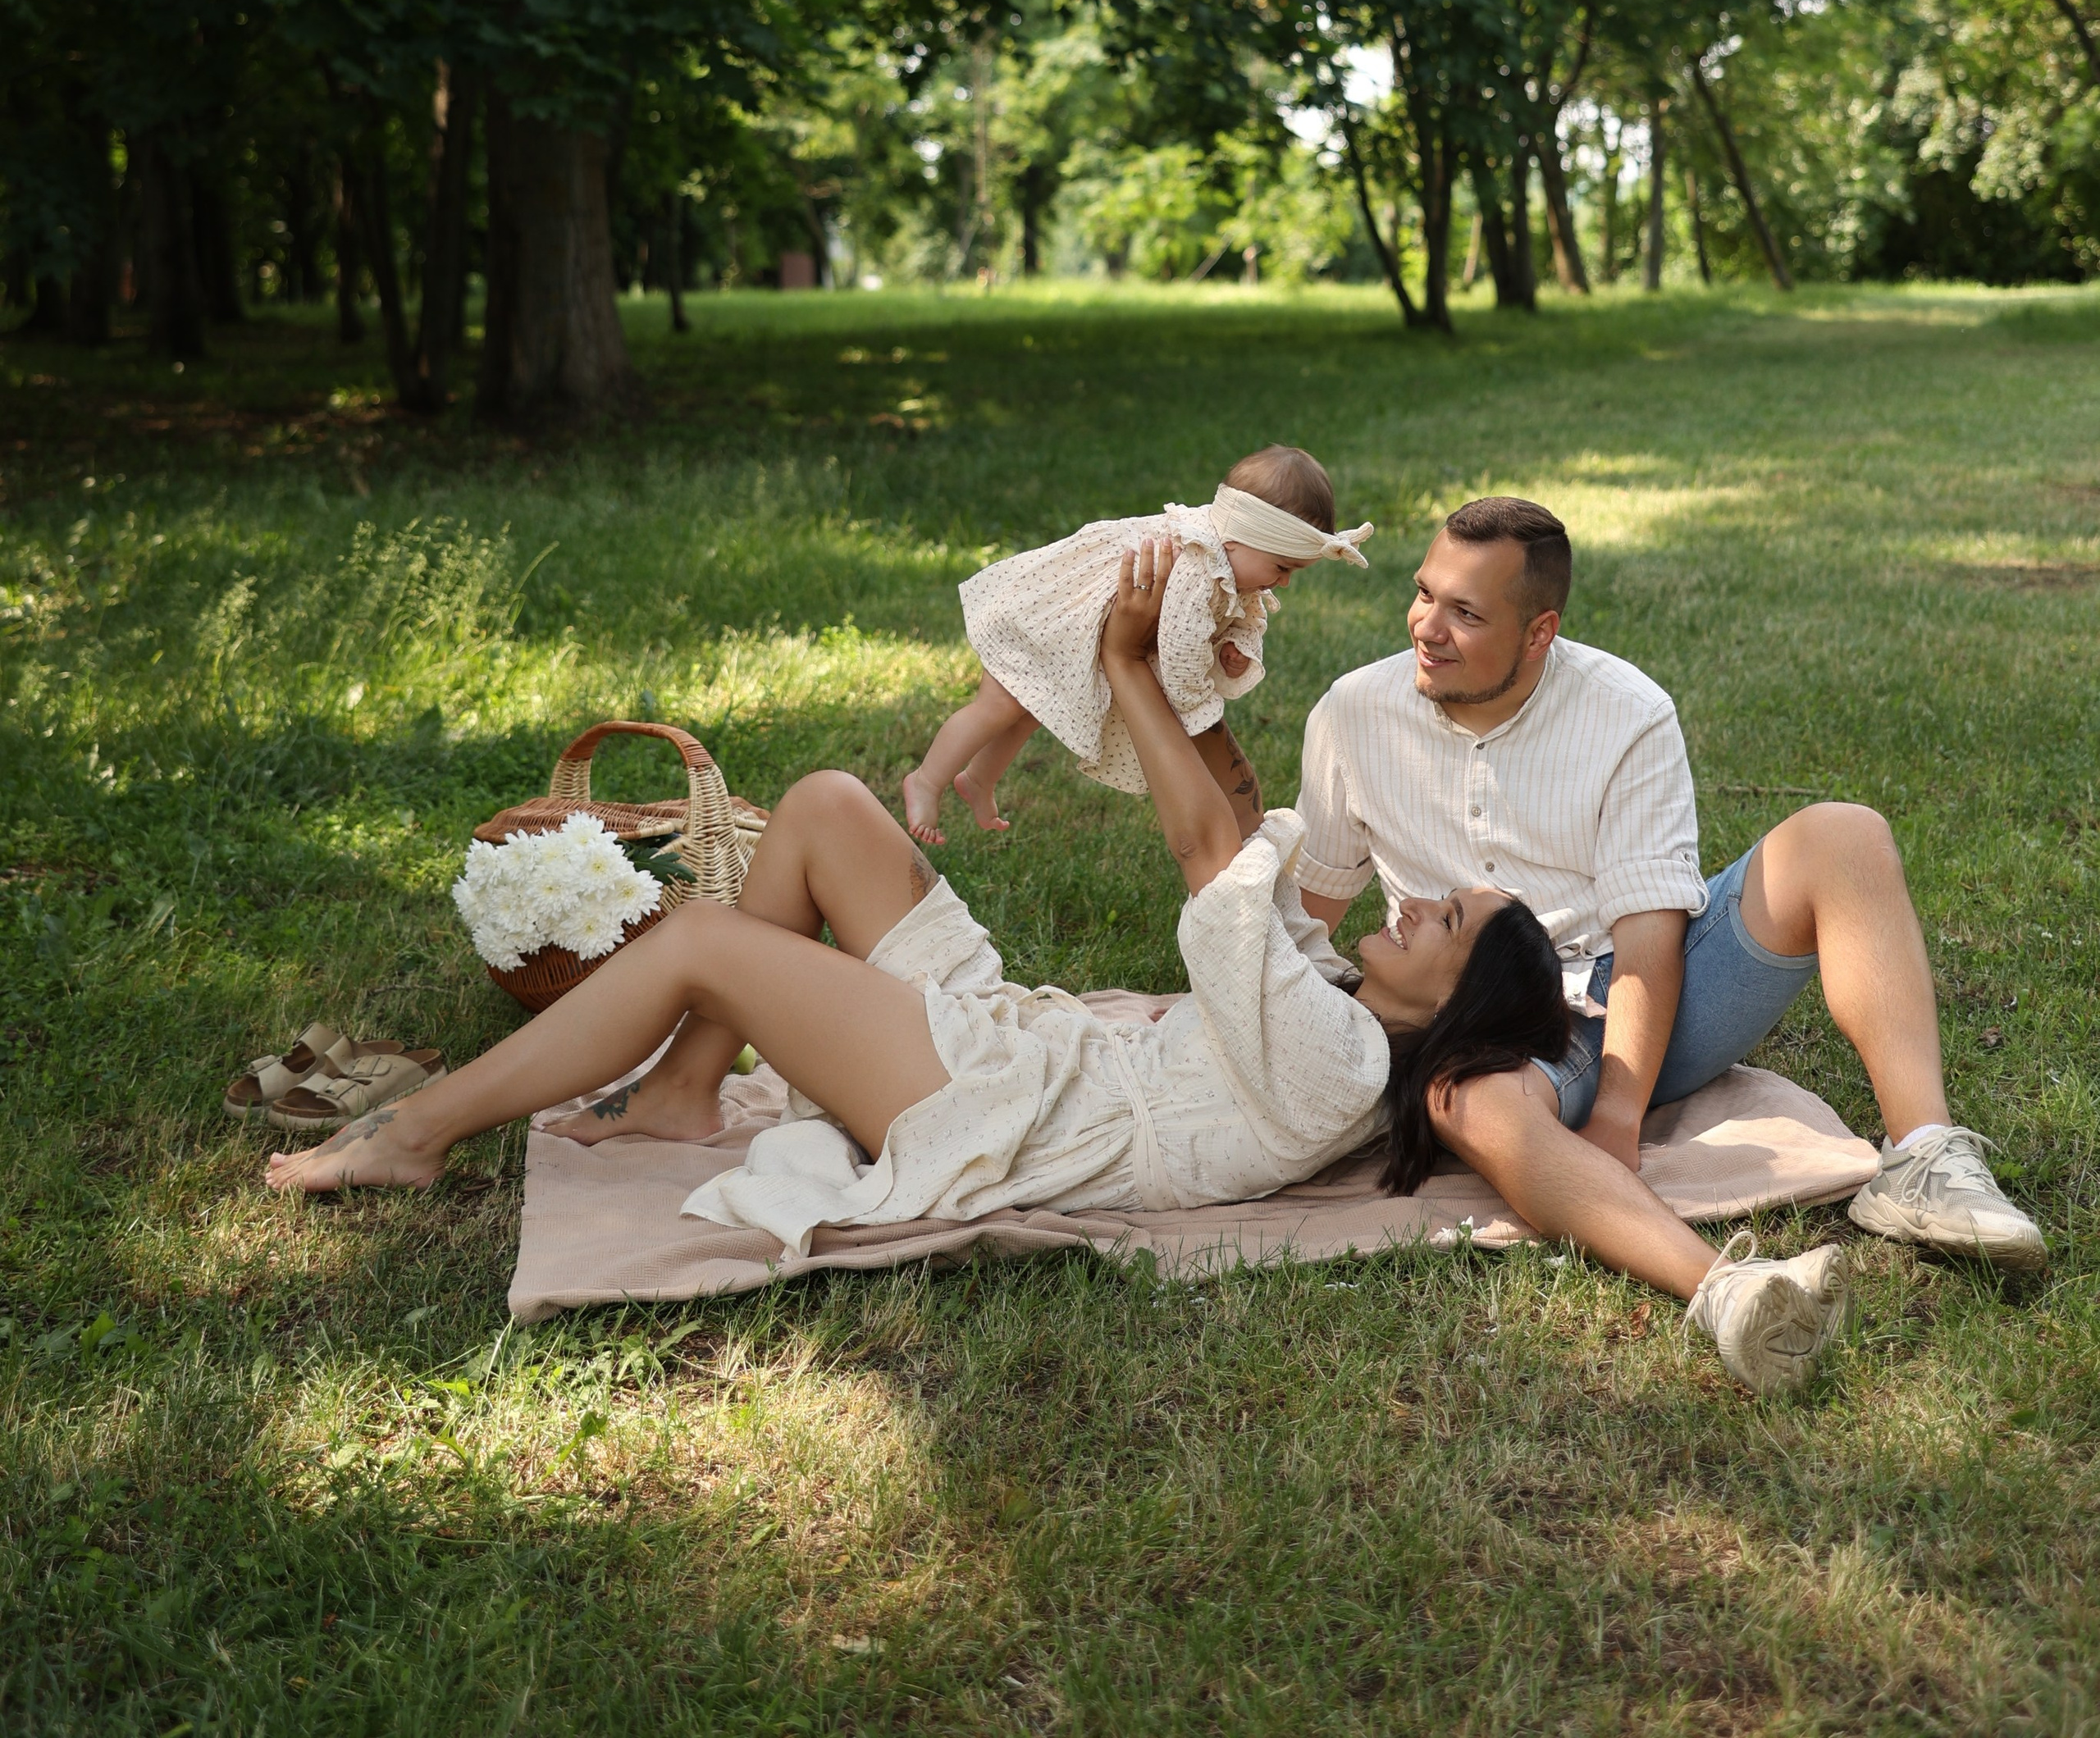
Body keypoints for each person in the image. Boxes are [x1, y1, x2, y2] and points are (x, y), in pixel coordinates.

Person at [264, 543, 1854, 1389]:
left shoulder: (1341, 1058)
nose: (1422, 906)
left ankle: (415, 1139)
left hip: (993, 1108)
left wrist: (1116, 675)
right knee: (821, 807)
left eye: (1445, 928)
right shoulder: (1317, 987)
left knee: (698, 937)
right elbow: (1238, 830)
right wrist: (1183, 652)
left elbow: (1197, 854)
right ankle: (684, 1101)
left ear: (1455, 1009)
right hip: (1020, 1038)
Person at [1294, 493, 2048, 1305]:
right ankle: (1726, 1290)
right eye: (1423, 593)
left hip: (1644, 996)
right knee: (1461, 1104)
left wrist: (1619, 1110)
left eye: (1465, 614)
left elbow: (1650, 926)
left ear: (1538, 631)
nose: (1425, 628)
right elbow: (1306, 913)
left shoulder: (1625, 711)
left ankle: (1923, 1158)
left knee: (1844, 836)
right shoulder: (1353, 713)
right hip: (1486, 1028)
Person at [902, 444, 1372, 844]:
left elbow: (1245, 614)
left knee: (1029, 709)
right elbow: (1181, 646)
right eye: (1283, 568)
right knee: (998, 706)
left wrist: (1239, 648)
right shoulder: (1194, 564)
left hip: (1077, 634)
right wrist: (1191, 704)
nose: (1283, 583)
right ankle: (926, 780)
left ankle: (978, 779)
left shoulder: (1234, 561)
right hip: (1053, 619)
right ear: (1238, 541)